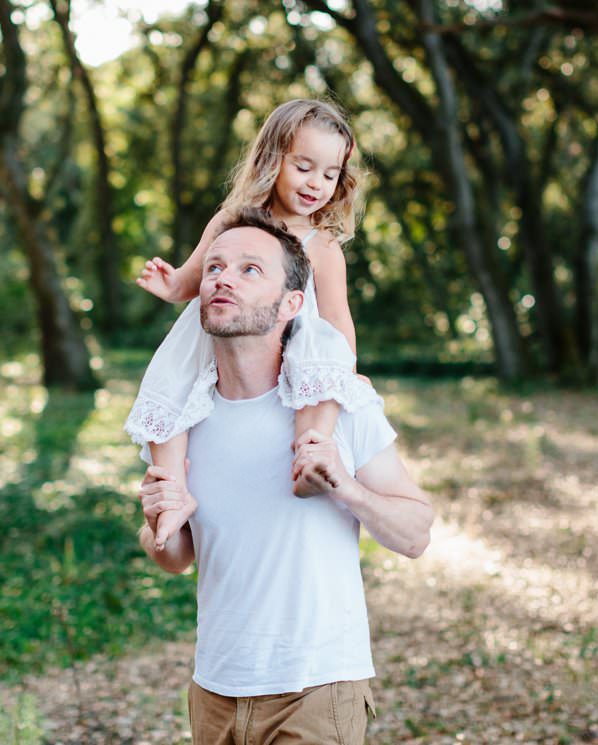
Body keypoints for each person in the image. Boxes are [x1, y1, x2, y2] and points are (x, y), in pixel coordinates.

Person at [137, 214, 433, 744]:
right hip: (215, 692)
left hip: (316, 689)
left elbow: (416, 534)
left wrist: (344, 484)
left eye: (250, 269)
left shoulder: (339, 408)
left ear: (293, 304)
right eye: (214, 267)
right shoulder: (183, 419)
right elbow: (173, 559)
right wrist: (160, 524)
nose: (223, 278)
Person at [129, 99, 384, 547]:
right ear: (273, 159)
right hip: (221, 336)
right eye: (304, 166)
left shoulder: (321, 245)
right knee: (169, 382)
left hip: (294, 341)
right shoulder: (231, 220)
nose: (316, 184)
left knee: (323, 362)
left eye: (330, 174)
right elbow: (192, 281)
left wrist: (346, 372)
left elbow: (337, 316)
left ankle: (310, 459)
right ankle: (172, 495)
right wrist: (169, 286)